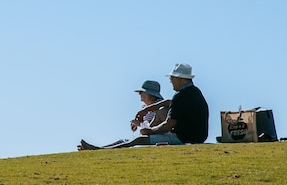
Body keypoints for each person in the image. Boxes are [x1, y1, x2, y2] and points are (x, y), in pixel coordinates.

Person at [81, 63, 209, 149]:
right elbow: (171, 102)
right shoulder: (193, 92)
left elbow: (168, 124)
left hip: (183, 138)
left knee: (139, 140)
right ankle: (101, 149)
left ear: (180, 79)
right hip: (197, 136)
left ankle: (101, 150)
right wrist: (149, 108)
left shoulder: (180, 96)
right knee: (137, 139)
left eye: (172, 79)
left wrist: (150, 131)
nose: (171, 82)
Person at [78, 80, 168, 150]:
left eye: (142, 94)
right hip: (149, 136)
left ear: (150, 95)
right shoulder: (147, 107)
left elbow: (154, 126)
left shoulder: (159, 107)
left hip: (154, 137)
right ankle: (98, 149)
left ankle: (97, 149)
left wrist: (139, 125)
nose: (141, 98)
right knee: (122, 141)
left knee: (124, 142)